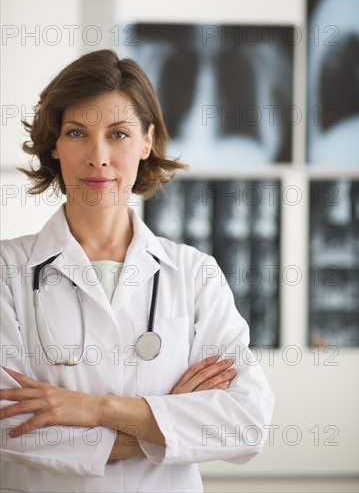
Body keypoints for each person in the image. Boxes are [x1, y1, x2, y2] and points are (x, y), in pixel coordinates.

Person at [0, 49, 275, 492]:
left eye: (119, 134)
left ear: (147, 141)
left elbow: (245, 423)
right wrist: (166, 418)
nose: (98, 156)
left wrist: (95, 409)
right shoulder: (7, 272)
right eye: (77, 133)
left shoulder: (193, 273)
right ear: (54, 143)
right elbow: (8, 428)